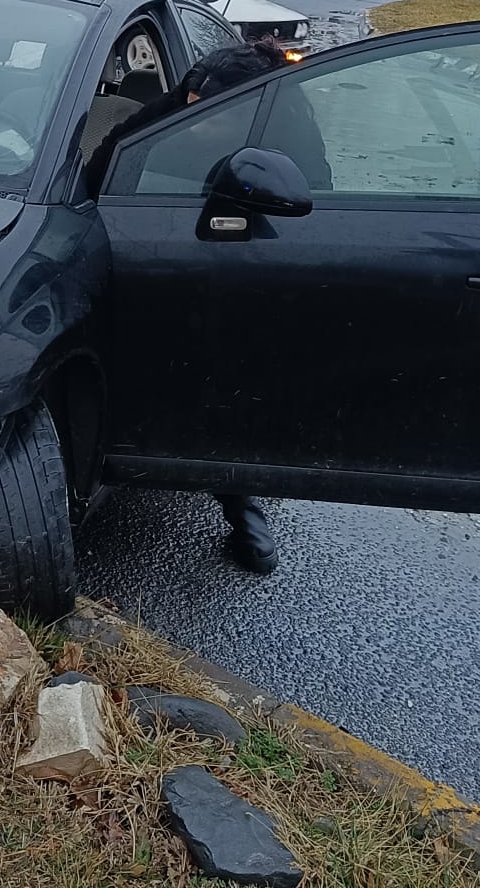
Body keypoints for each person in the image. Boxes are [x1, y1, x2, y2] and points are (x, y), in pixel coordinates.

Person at [109, 36, 290, 574]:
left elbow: (309, 206)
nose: (193, 113)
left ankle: (243, 501)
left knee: (227, 384)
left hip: (240, 265)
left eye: (208, 109)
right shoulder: (169, 112)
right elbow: (103, 169)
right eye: (191, 98)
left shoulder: (286, 129)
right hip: (149, 254)